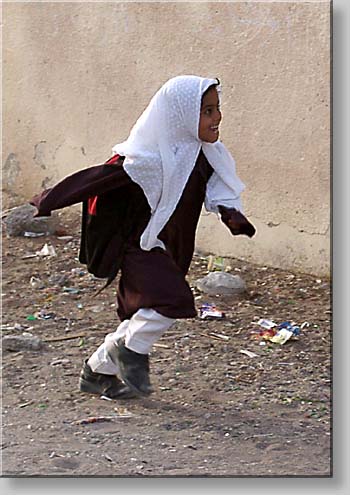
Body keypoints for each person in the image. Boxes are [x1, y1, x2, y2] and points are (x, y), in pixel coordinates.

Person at [31, 75, 256, 400]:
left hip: (173, 247)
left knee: (144, 313)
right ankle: (131, 353)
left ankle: (97, 371)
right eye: (206, 111)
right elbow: (99, 180)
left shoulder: (208, 154)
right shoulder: (148, 158)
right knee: (171, 301)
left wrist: (231, 214)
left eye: (216, 109)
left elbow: (220, 186)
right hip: (140, 245)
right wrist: (49, 199)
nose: (216, 118)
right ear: (179, 114)